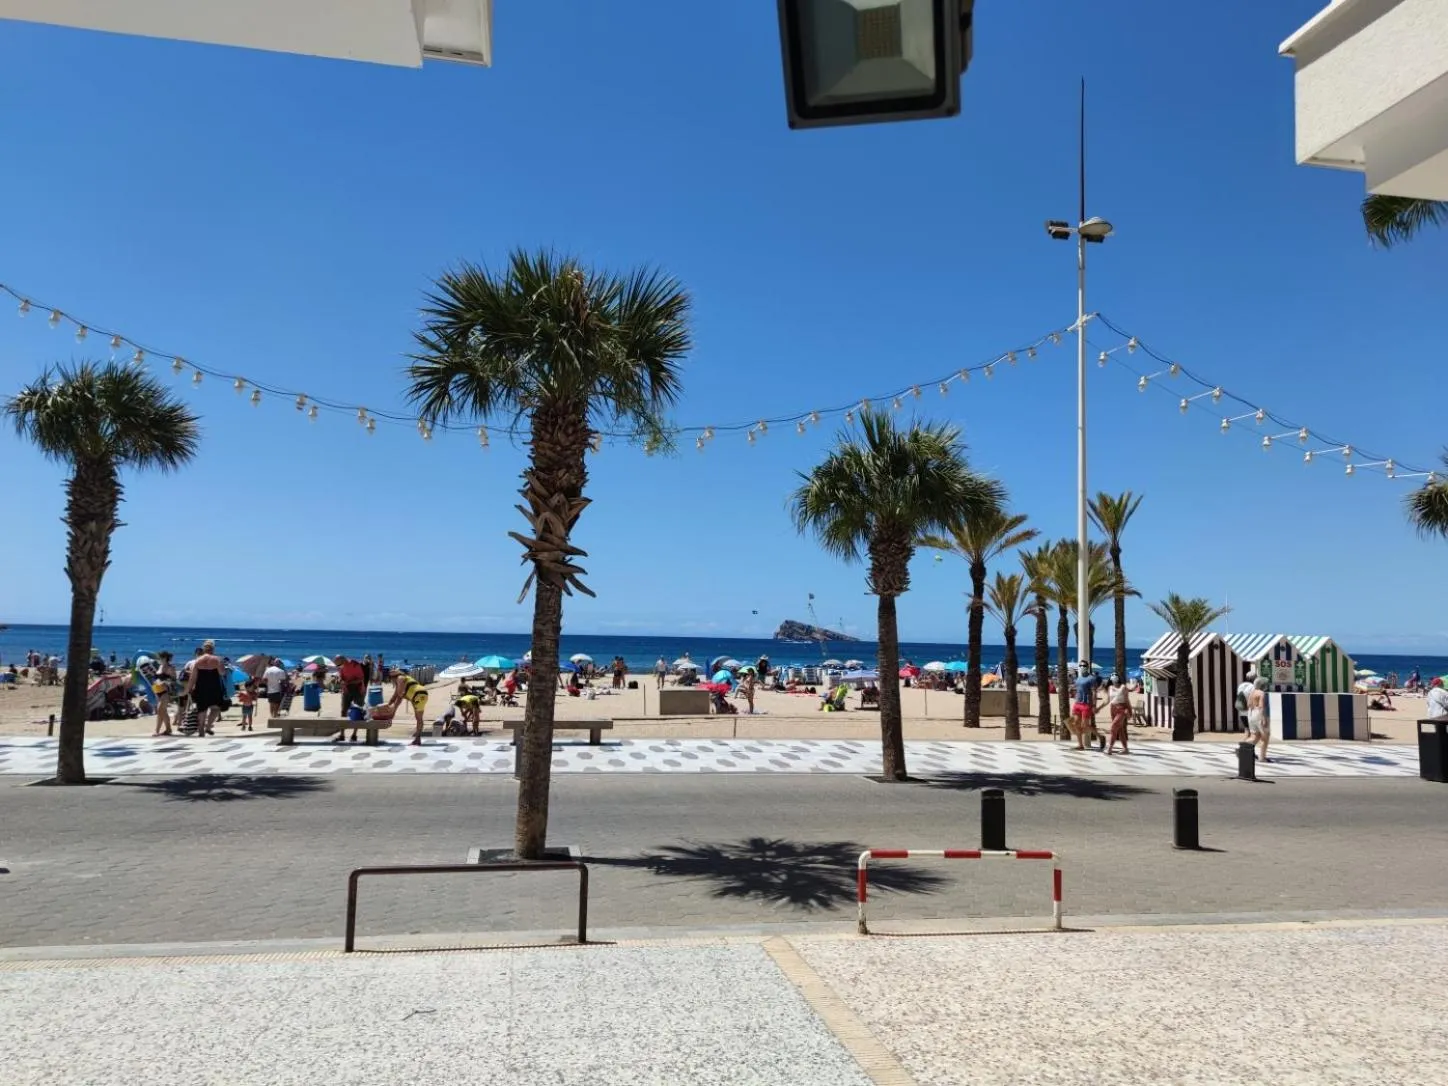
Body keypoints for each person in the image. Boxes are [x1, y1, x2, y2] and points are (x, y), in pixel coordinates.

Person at [184, 640, 227, 737]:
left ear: (204, 649)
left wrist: (188, 689)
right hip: (214, 687)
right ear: (213, 649)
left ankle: (201, 730)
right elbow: (222, 673)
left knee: (202, 709)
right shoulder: (217, 659)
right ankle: (208, 726)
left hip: (201, 687)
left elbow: (193, 678)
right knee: (216, 708)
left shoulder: (198, 661)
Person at [383, 669, 429, 746]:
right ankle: (417, 739)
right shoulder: (406, 678)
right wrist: (389, 704)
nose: (391, 681)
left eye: (390, 679)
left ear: (393, 677)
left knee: (419, 718)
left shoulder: (400, 678)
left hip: (417, 695)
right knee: (419, 718)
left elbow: (399, 695)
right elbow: (395, 696)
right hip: (423, 693)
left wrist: (393, 710)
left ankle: (417, 739)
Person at [337, 654, 367, 741]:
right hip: (346, 690)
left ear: (344, 660)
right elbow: (341, 676)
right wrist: (340, 680)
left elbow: (361, 679)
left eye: (339, 664)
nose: (339, 666)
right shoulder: (341, 667)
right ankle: (342, 735)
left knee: (357, 711)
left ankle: (354, 734)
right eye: (338, 665)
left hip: (358, 690)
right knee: (343, 711)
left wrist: (348, 683)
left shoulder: (355, 664)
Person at [1070, 670, 1102, 751]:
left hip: (1086, 704)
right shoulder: (1078, 678)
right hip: (1077, 703)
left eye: (1084, 665)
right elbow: (1077, 688)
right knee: (1076, 724)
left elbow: (1094, 692)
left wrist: (1094, 705)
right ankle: (1080, 745)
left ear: (1087, 667)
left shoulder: (1091, 679)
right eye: (1081, 665)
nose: (1082, 667)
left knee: (1085, 725)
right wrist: (1072, 690)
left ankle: (1100, 737)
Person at [152, 650, 177, 736]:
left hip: (166, 691)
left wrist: (165, 682)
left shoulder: (170, 667)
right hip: (157, 690)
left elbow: (174, 680)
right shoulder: (160, 666)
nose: (158, 659)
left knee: (160, 710)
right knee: (163, 711)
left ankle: (156, 730)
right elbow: (156, 678)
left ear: (165, 658)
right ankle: (168, 729)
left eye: (160, 657)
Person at [1246, 675, 1271, 762]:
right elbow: (1261, 706)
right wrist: (1263, 718)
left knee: (1255, 736)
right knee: (1265, 737)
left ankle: (1243, 747)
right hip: (1259, 714)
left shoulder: (1252, 692)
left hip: (1251, 713)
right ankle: (1262, 757)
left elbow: (1248, 704)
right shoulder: (1262, 693)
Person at [1106, 678, 1131, 755]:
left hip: (1121, 709)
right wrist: (1098, 708)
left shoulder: (1123, 687)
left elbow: (1127, 700)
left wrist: (1130, 711)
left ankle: (1109, 748)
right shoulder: (1110, 687)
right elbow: (1108, 700)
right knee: (1120, 729)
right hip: (1112, 708)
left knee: (1113, 728)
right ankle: (1125, 749)